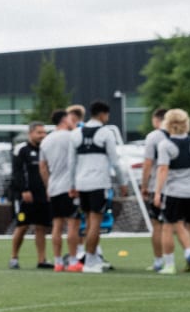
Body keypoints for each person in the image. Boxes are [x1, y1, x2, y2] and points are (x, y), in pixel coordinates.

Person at [69, 100, 127, 273]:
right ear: (102, 114)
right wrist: (122, 183)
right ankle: (90, 261)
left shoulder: (76, 133)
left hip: (81, 183)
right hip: (98, 183)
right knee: (96, 222)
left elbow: (71, 163)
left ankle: (92, 258)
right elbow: (115, 162)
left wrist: (72, 185)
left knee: (88, 222)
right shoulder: (106, 133)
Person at [152, 108, 190, 274]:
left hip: (174, 193)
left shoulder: (165, 145)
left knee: (168, 227)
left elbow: (163, 170)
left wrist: (157, 193)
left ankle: (169, 265)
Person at [39, 109, 82, 272]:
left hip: (54, 187)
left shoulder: (46, 140)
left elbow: (42, 167)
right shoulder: (72, 137)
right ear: (65, 120)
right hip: (71, 187)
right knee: (73, 224)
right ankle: (72, 261)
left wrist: (48, 185)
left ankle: (57, 262)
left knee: (56, 225)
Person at [9, 121, 51, 269]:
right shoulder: (21, 150)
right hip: (25, 196)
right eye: (39, 132)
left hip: (42, 195)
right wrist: (24, 190)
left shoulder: (46, 149)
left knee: (41, 227)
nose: (42, 135)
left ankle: (42, 260)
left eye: (44, 132)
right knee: (22, 226)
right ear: (31, 133)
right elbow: (17, 172)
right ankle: (14, 258)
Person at [139, 108, 170, 272]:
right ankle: (183, 256)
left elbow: (147, 164)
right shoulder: (180, 135)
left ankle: (159, 261)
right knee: (175, 225)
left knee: (157, 225)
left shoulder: (154, 136)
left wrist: (144, 186)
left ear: (156, 119)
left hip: (157, 187)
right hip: (177, 188)